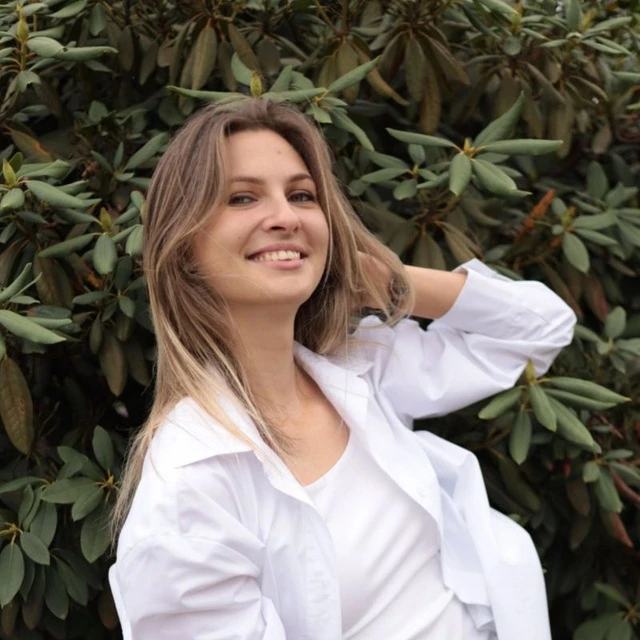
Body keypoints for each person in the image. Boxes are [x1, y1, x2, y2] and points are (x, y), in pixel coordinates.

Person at [108, 98, 576, 640]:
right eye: (242, 197)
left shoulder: (358, 367)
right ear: (184, 247)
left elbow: (540, 329)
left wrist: (391, 283)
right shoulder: (192, 484)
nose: (286, 217)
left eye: (302, 195)